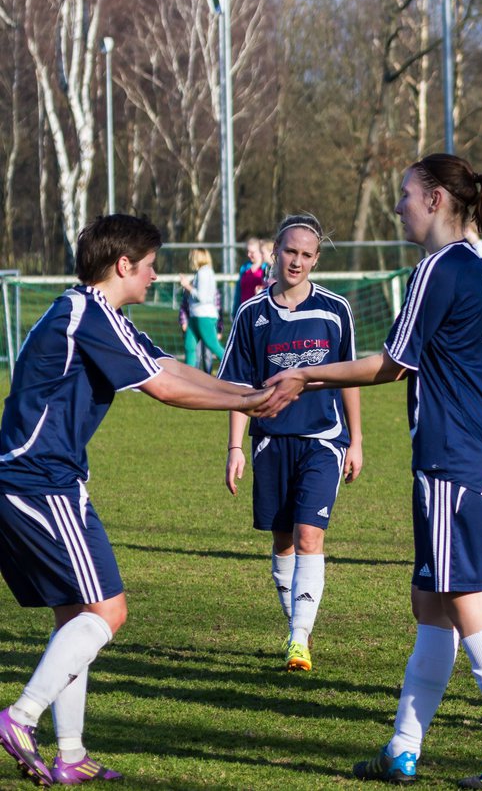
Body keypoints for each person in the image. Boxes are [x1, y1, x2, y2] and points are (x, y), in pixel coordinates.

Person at [262, 154, 482, 789]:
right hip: (480, 453)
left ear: (439, 200)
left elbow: (393, 364)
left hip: (457, 459)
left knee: (467, 601)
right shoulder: (475, 262)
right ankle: (402, 747)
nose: (398, 206)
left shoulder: (440, 266)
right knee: (431, 602)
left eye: (406, 194)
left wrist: (307, 373)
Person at [0, 214, 274, 787]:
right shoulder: (88, 314)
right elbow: (165, 389)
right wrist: (249, 404)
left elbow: (169, 365)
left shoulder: (97, 313)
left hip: (39, 481)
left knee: (74, 617)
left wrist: (248, 393)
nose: (155, 277)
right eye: (150, 266)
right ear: (123, 265)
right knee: (108, 611)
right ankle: (20, 717)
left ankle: (70, 753)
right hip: (40, 482)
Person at [219, 214, 363, 673]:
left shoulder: (335, 310)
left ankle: (300, 638)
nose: (296, 261)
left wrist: (356, 441)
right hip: (270, 441)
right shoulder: (252, 314)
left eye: (306, 254)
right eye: (289, 252)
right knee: (282, 541)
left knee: (309, 535)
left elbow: (350, 380)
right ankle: (295, 629)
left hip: (323, 439)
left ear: (316, 259)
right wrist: (235, 448)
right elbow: (240, 389)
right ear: (275, 254)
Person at [179, 247, 226, 370]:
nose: (190, 260)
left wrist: (187, 286)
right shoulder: (200, 272)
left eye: (192, 257)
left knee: (213, 346)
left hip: (204, 316)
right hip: (195, 316)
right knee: (189, 345)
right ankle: (189, 377)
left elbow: (202, 297)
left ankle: (236, 368)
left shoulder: (204, 272)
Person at [235, 236, 270, 313]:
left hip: (259, 311)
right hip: (245, 310)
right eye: (248, 251)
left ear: (260, 252)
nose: (248, 254)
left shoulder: (266, 268)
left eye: (252, 252)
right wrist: (235, 310)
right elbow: (238, 291)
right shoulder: (244, 268)